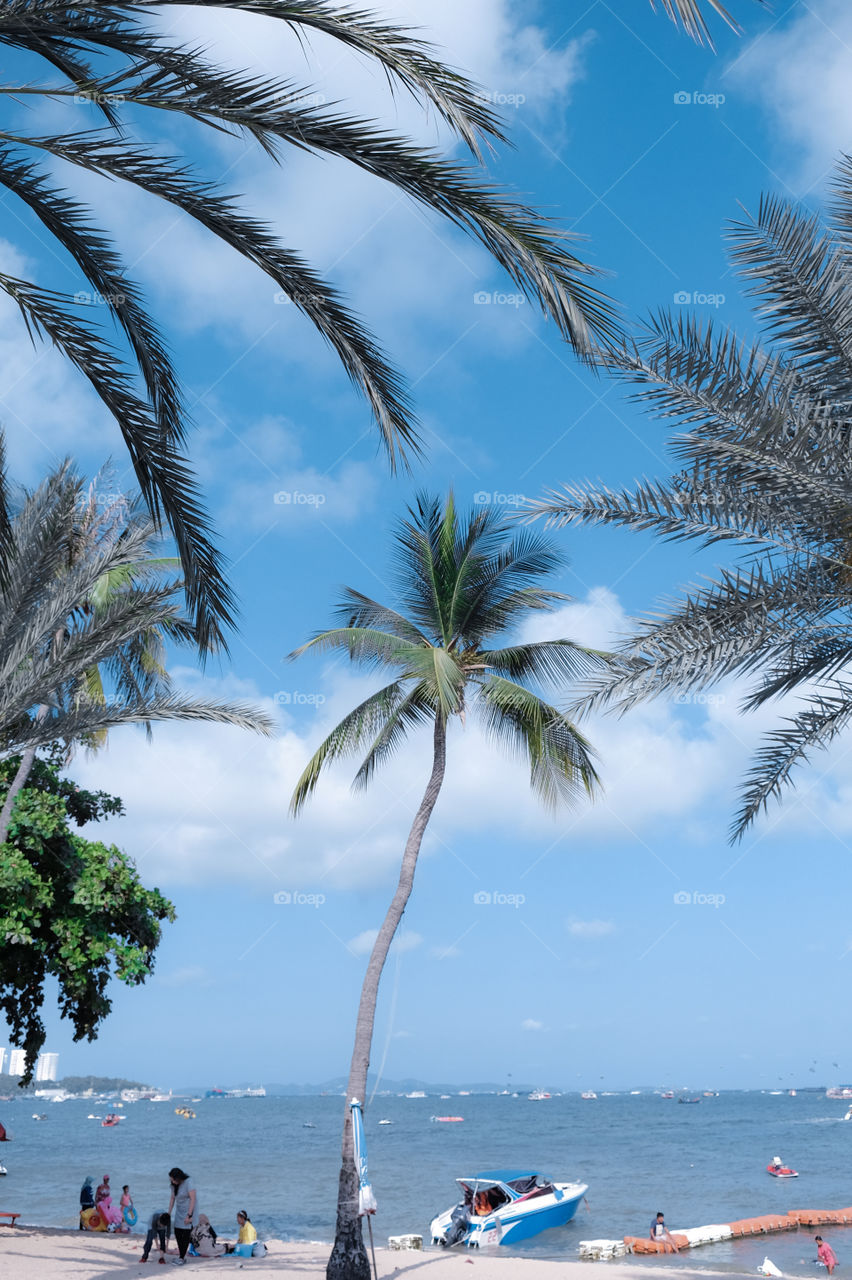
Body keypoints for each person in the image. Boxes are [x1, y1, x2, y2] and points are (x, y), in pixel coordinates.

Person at [168, 1167, 197, 1265]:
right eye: (171, 1179)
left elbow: (193, 1199)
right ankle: (182, 1255)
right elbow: (172, 1199)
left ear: (179, 1178)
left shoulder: (188, 1182)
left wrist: (189, 1215)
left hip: (189, 1210)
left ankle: (181, 1257)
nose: (172, 1181)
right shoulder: (173, 1185)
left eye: (173, 1179)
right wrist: (169, 1213)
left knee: (185, 1234)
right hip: (179, 1211)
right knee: (177, 1232)